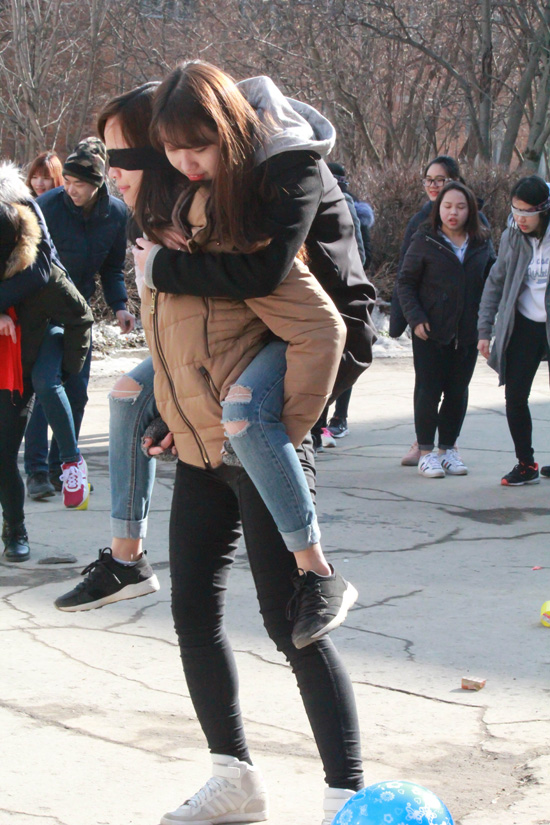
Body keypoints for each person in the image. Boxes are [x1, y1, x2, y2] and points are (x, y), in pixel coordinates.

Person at [113, 62, 372, 825]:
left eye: (194, 149)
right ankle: (235, 778)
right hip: (201, 446)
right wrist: (167, 410)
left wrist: (281, 431)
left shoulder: (252, 208)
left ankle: (346, 794)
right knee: (193, 615)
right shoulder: (172, 226)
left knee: (294, 623)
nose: (183, 164)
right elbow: (180, 338)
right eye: (172, 153)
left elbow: (310, 317)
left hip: (260, 431)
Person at [23, 138, 135, 502]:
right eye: (67, 181)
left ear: (98, 184)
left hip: (80, 315)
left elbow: (112, 268)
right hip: (43, 311)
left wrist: (120, 305)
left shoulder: (115, 214)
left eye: (79, 184)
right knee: (46, 385)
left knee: (77, 392)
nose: (70, 189)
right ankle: (37, 471)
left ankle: (62, 469)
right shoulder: (47, 207)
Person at [0, 162, 93, 560]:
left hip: (20, 364)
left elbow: (78, 314)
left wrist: (66, 370)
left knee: (5, 454)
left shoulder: (40, 271)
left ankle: (15, 528)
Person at [398, 181, 494, 478]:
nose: (453, 213)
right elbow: (405, 282)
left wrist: (486, 323)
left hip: (467, 332)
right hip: (430, 331)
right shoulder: (425, 239)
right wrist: (415, 318)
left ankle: (448, 449)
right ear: (438, 209)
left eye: (461, 207)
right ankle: (426, 453)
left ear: (471, 211)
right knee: (428, 391)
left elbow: (493, 282)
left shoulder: (481, 242)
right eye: (447, 206)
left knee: (457, 391)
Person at [478, 175, 550, 486]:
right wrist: (484, 329)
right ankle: (526, 463)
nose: (520, 218)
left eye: (527, 212)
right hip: (524, 324)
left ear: (543, 209)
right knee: (515, 396)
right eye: (515, 210)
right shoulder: (512, 236)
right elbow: (495, 282)